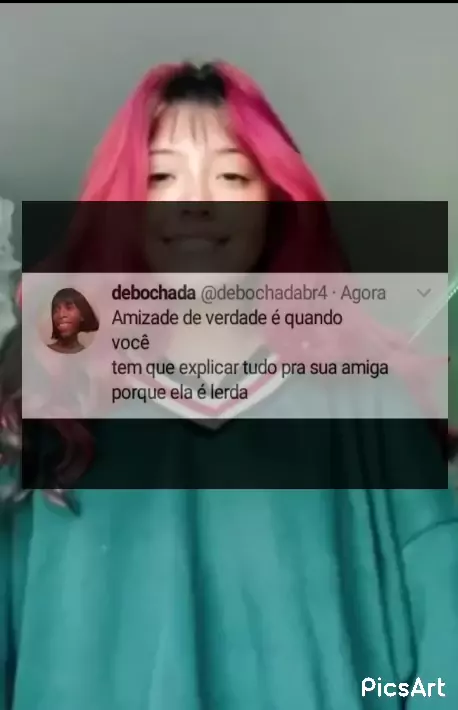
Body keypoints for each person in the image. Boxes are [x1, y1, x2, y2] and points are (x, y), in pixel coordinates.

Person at [0, 61, 457, 710]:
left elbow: (445, 630)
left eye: (233, 176)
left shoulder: (371, 401)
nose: (196, 201)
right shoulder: (46, 411)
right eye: (160, 177)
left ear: (274, 206)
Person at [47, 287, 99, 354]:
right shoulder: (44, 352)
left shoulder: (90, 354)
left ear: (82, 315)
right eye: (56, 310)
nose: (61, 315)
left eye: (69, 308)